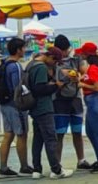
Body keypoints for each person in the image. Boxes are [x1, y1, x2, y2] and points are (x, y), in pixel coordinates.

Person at [49, 35, 90, 172]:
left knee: (75, 131)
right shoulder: (53, 62)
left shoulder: (75, 60)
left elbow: (85, 72)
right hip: (62, 100)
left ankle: (80, 160)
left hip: (73, 98)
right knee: (60, 133)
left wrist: (77, 75)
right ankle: (58, 164)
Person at [0, 37, 35, 178]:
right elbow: (18, 88)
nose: (24, 50)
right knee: (22, 135)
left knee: (8, 135)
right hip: (15, 105)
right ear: (18, 50)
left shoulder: (4, 64)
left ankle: (3, 167)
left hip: (4, 104)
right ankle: (24, 166)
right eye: (23, 48)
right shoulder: (16, 66)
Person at [27, 47, 69, 179]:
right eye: (55, 61)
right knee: (51, 138)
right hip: (43, 107)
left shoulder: (30, 64)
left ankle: (36, 168)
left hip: (34, 107)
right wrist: (56, 86)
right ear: (50, 57)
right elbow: (40, 89)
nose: (55, 64)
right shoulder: (41, 67)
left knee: (38, 139)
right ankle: (56, 169)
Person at [76, 42, 98, 172]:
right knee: (90, 131)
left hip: (96, 100)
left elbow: (97, 87)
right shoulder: (91, 68)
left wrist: (82, 85)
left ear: (86, 54)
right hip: (92, 101)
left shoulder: (94, 68)